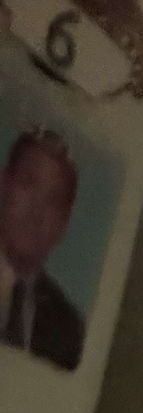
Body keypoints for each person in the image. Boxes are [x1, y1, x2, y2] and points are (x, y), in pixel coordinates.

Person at [0, 126, 84, 370]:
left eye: (53, 200)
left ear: (64, 224)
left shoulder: (70, 331)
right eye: (29, 184)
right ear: (3, 186)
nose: (37, 211)